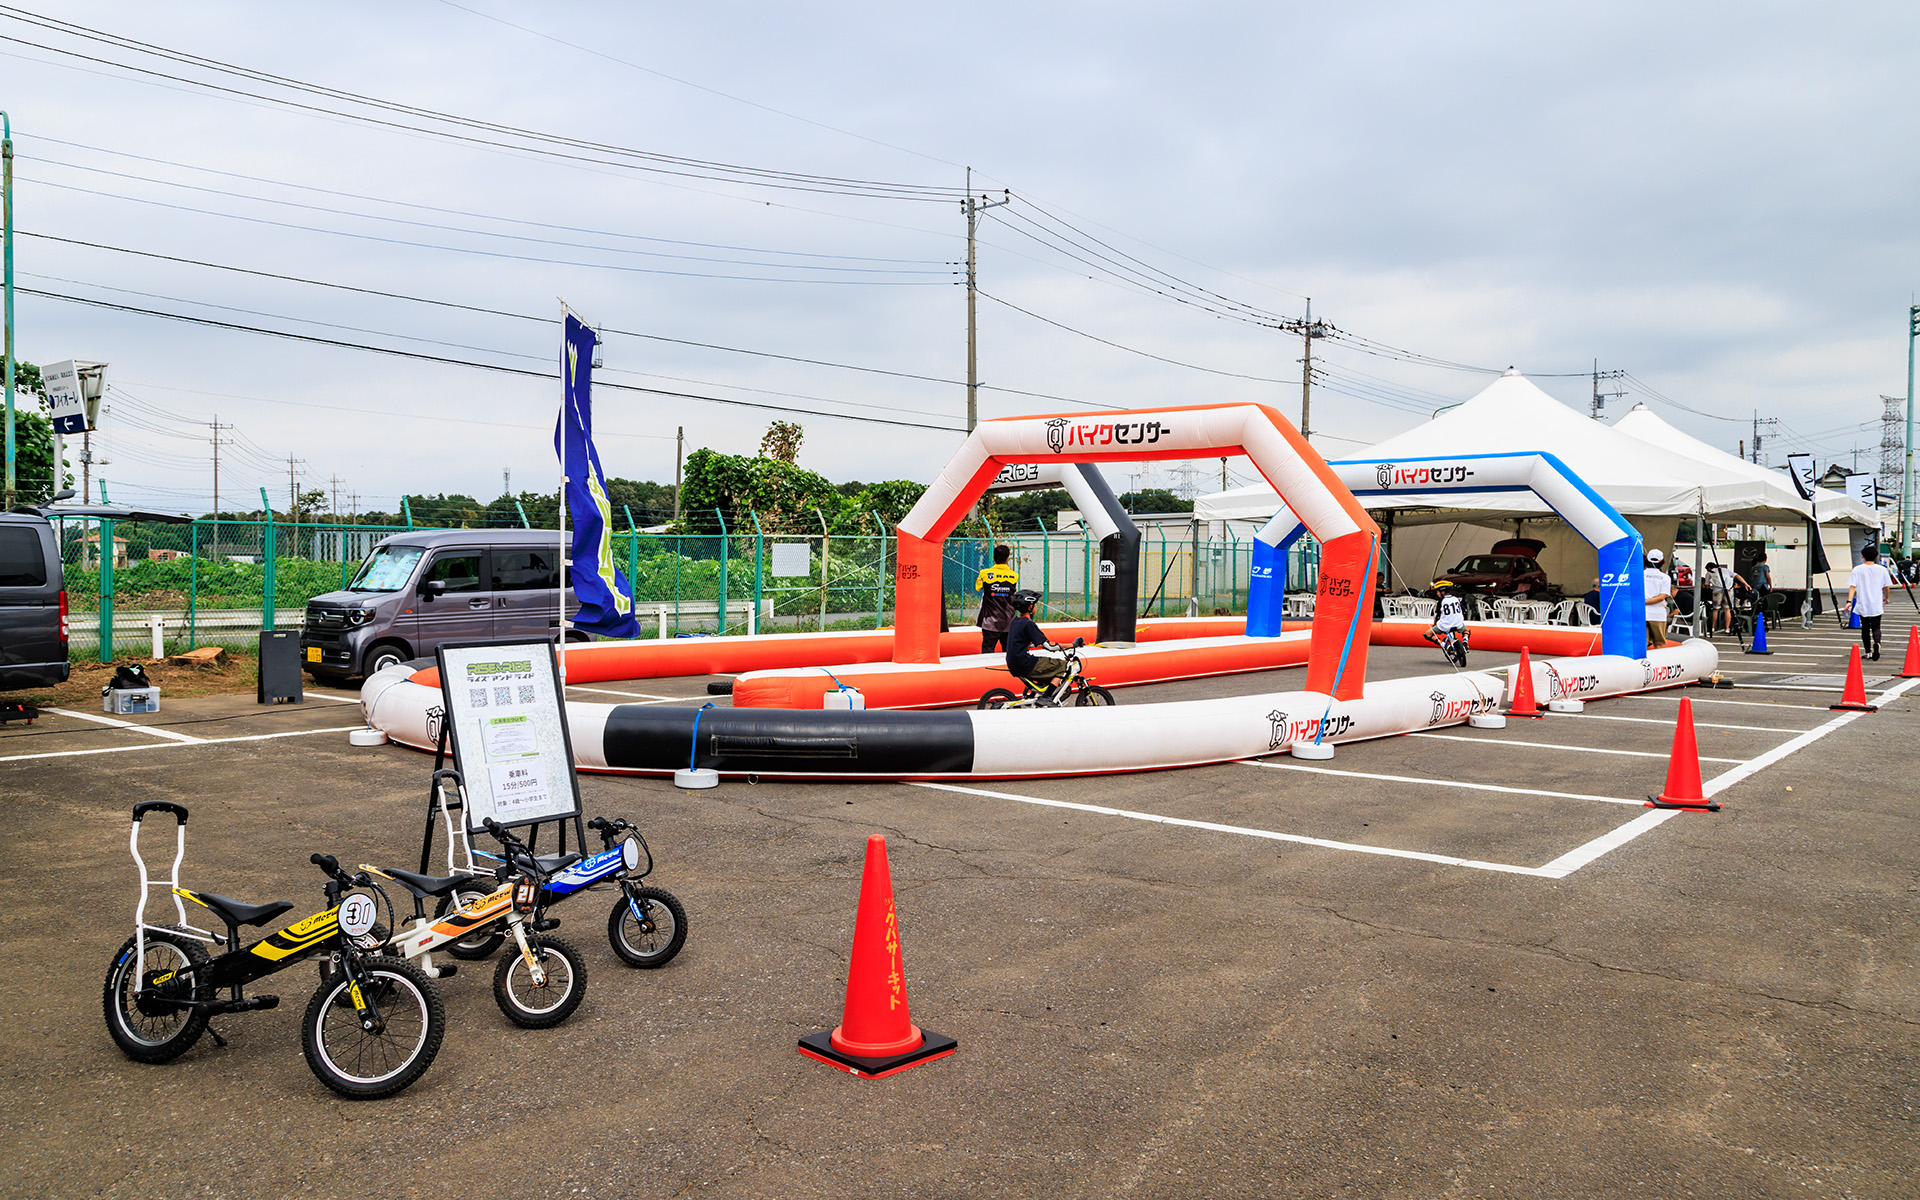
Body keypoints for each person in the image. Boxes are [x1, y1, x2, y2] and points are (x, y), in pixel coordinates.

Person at [1004, 589, 1070, 693]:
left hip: (1013, 662)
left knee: (1044, 663)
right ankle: (1047, 697)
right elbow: (1050, 647)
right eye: (1035, 604)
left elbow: (1030, 643)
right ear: (1030, 606)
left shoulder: (1015, 621)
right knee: (1062, 665)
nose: (1036, 607)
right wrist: (1073, 644)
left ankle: (1038, 692)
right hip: (1024, 664)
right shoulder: (1028, 624)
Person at [1847, 544, 1896, 661]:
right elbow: (1887, 587)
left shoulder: (1857, 569)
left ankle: (1868, 651)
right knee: (1876, 627)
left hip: (1863, 603)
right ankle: (1877, 643)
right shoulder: (1882, 569)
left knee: (1865, 628)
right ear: (1875, 557)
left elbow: (1852, 587)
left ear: (1863, 557)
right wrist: (1886, 598)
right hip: (1876, 603)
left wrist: (1849, 601)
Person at [974, 545, 1020, 654]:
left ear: (993, 558)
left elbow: (977, 588)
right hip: (1009, 621)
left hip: (989, 622)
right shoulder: (1014, 576)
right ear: (1008, 559)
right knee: (1008, 653)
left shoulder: (984, 574)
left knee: (987, 651)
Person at [1422, 580, 1468, 653]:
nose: (1437, 594)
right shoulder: (1456, 599)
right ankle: (1465, 640)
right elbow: (1464, 610)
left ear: (1442, 592)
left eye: (1437, 592)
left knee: (1427, 634)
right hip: (1458, 623)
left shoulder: (1442, 601)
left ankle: (1445, 645)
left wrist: (1434, 624)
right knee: (1466, 630)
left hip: (1445, 625)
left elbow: (1438, 616)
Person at [1644, 548, 1673, 648]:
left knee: (1642, 644)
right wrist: (1646, 602)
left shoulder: (1639, 575)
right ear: (1661, 562)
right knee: (1658, 644)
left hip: (1641, 613)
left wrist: (1642, 602)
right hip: (1657, 614)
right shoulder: (1665, 578)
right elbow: (1662, 597)